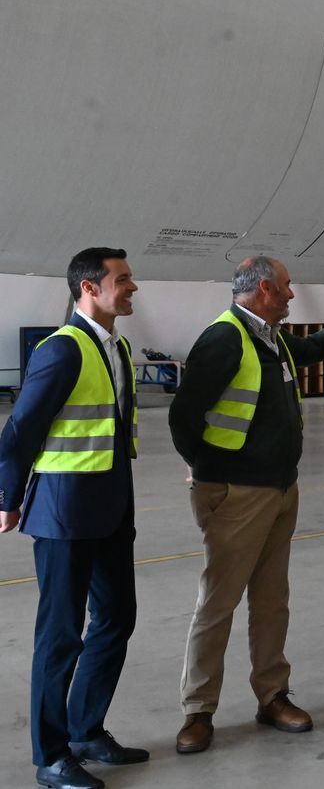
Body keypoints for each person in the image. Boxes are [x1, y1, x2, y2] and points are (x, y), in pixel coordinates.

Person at [167, 257, 324, 754]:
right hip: (237, 493)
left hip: (282, 488)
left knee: (271, 602)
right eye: (285, 288)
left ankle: (272, 696)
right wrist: (205, 470)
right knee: (218, 603)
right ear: (264, 289)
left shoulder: (271, 336)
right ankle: (198, 711)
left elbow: (310, 350)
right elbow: (183, 416)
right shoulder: (224, 338)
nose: (290, 296)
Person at [0, 248, 145, 789]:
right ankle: (51, 754)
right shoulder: (63, 350)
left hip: (111, 507)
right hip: (63, 514)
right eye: (122, 279)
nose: (132, 287)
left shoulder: (119, 346)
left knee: (116, 619)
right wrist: (7, 498)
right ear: (89, 288)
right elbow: (17, 433)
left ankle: (86, 730)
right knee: (60, 635)